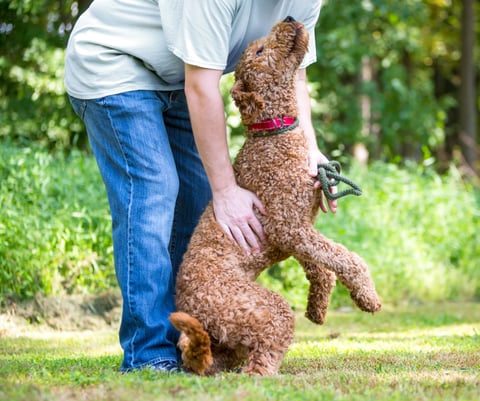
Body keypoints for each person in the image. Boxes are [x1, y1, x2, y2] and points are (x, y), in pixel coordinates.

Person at [64, 0, 336, 373]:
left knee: (195, 202)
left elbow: (295, 75)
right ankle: (148, 353)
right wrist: (226, 191)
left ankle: (191, 343)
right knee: (154, 190)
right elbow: (202, 87)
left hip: (179, 78)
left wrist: (310, 149)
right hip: (116, 64)